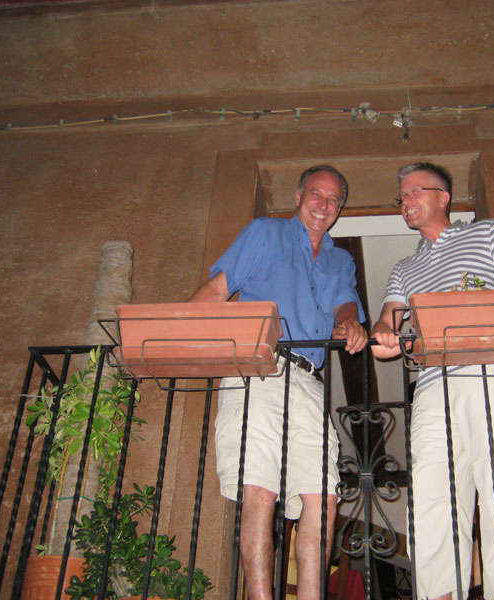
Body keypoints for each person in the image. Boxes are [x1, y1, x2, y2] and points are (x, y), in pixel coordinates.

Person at [189, 165, 368, 600]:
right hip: (260, 369)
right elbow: (217, 291)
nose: (324, 205)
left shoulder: (340, 259)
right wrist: (165, 337)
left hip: (309, 382)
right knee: (260, 491)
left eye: (333, 199)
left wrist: (350, 323)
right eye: (316, 194)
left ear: (340, 209)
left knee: (323, 498)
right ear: (298, 197)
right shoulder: (265, 234)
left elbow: (345, 304)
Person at [371, 162, 494, 600]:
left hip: (488, 368)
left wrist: (488, 318)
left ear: (443, 197)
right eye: (402, 196)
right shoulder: (404, 268)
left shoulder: (487, 233)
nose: (406, 201)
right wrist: (385, 335)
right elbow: (386, 326)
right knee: (432, 498)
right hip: (431, 385)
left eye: (415, 191)